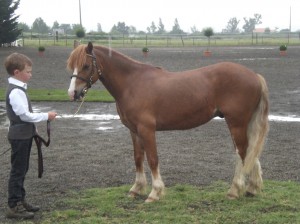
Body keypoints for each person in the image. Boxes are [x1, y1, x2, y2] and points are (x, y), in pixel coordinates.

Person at [4, 53, 57, 219]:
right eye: (28, 71)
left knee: (22, 168)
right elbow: (24, 116)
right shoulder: (16, 92)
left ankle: (20, 200)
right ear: (16, 72)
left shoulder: (18, 89)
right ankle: (14, 205)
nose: (31, 74)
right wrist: (45, 116)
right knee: (18, 171)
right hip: (19, 136)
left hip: (23, 134)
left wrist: (32, 130)